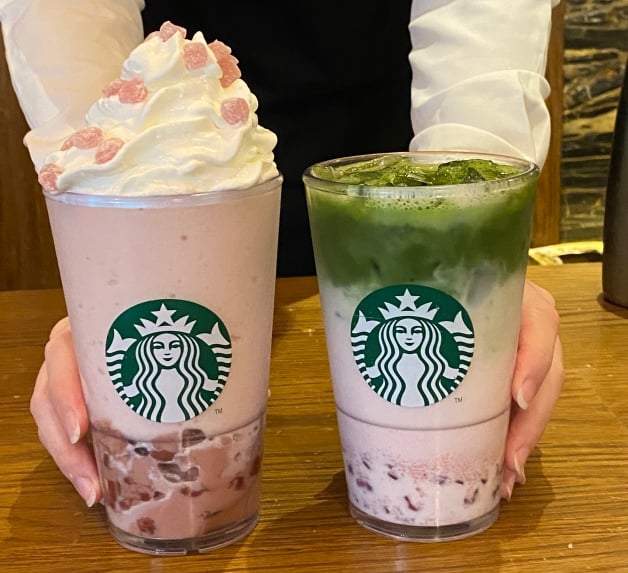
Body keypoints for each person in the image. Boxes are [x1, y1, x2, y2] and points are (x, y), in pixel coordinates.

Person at [0, 0, 564, 508]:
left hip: (386, 150)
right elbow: (66, 16)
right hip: (182, 145)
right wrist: (113, 267)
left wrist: (475, 241)